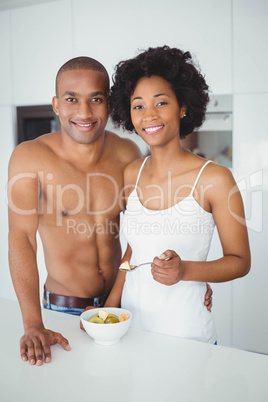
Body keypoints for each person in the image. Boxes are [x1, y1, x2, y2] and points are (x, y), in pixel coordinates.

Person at [8, 56, 212, 366]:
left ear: (109, 104)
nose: (84, 112)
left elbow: (145, 227)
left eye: (96, 99)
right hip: (64, 308)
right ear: (56, 105)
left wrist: (193, 273)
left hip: (124, 303)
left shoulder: (127, 152)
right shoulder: (29, 157)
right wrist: (33, 323)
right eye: (72, 99)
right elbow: (21, 237)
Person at [100, 46, 251, 343]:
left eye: (161, 103)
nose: (149, 115)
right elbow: (134, 250)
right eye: (139, 106)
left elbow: (240, 261)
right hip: (131, 330)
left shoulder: (215, 179)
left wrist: (185, 271)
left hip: (188, 335)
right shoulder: (132, 173)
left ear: (183, 107)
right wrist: (109, 309)